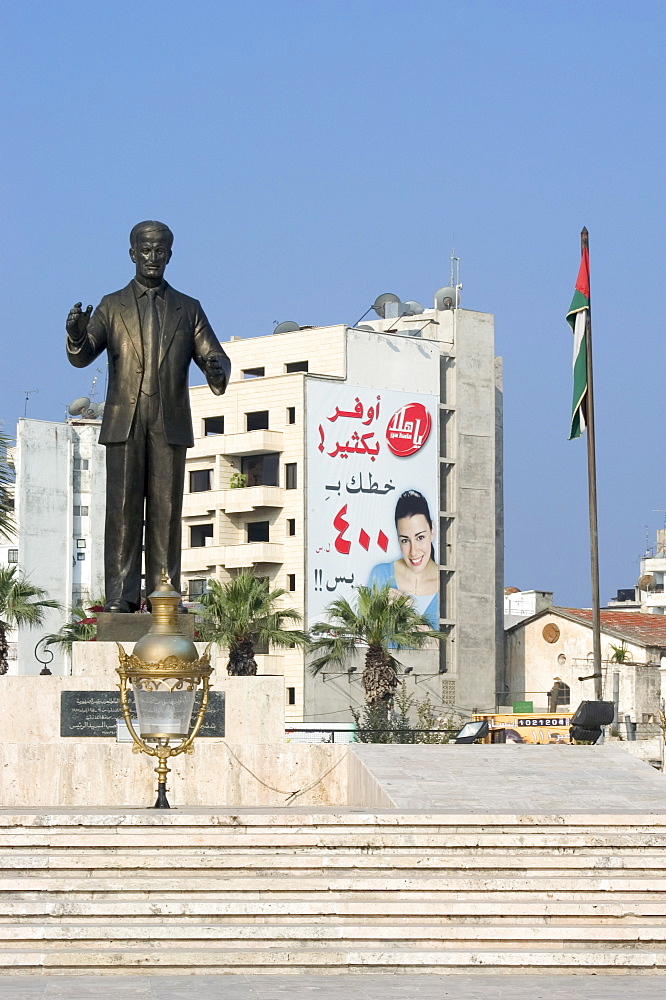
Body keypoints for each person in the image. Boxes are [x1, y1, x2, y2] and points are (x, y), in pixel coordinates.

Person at [66, 221, 231, 612]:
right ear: (132, 253)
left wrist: (215, 367)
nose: (153, 258)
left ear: (170, 255)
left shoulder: (188, 308)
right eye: (146, 250)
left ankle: (164, 595)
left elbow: (215, 355)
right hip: (125, 421)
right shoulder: (111, 304)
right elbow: (83, 354)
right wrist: (75, 333)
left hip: (169, 422)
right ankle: (120, 597)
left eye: (160, 251)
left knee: (167, 512)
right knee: (121, 512)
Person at [368, 490, 439, 629]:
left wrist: (405, 611)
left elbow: (446, 646)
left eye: (420, 538)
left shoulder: (449, 585)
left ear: (432, 531)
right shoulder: (381, 575)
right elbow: (363, 634)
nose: (413, 551)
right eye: (405, 540)